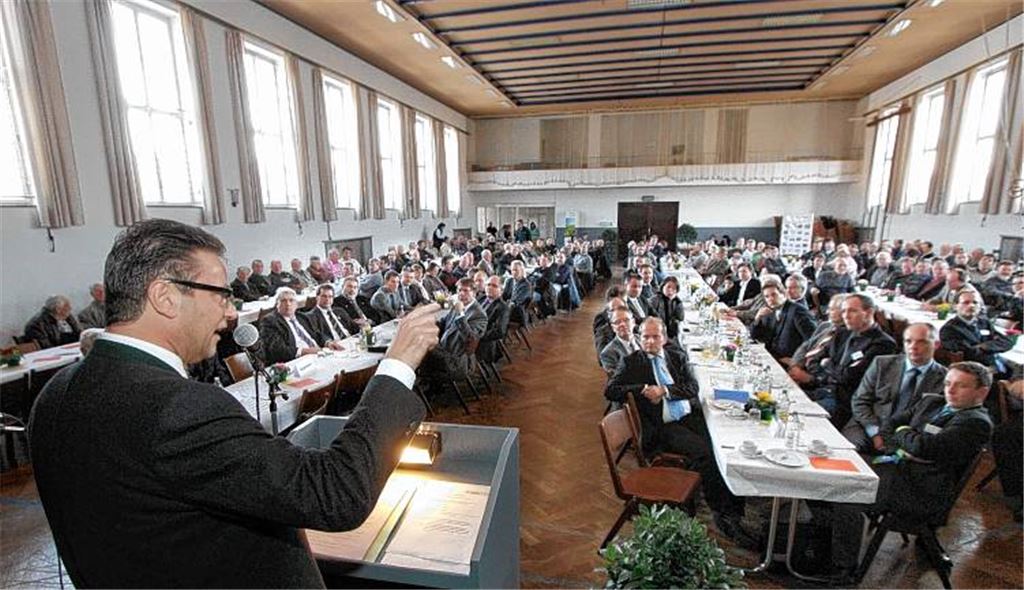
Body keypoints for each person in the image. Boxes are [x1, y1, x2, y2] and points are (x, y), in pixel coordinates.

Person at [29, 218, 437, 588]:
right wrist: (397, 366)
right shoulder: (179, 407)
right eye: (221, 296)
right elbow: (336, 493)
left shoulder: (55, 395)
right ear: (165, 297)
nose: (230, 315)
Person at [824, 362, 993, 585]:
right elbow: (890, 424)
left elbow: (925, 447)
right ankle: (821, 546)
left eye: (960, 386)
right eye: (948, 383)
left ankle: (843, 570)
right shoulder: (933, 401)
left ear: (981, 392)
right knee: (832, 469)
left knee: (846, 492)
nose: (950, 390)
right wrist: (906, 444)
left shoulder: (976, 422)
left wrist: (905, 434)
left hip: (920, 489)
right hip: (897, 467)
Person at [604, 318, 752, 544]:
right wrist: (642, 389)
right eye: (645, 336)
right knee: (707, 453)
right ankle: (722, 513)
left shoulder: (676, 356)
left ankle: (733, 507)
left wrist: (665, 390)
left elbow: (693, 388)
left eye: (655, 336)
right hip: (662, 427)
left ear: (664, 338)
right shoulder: (632, 362)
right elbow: (611, 390)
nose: (650, 341)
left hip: (685, 415)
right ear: (640, 337)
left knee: (723, 443)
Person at [843, 323, 948, 454]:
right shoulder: (882, 364)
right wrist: (875, 433)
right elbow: (860, 400)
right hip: (866, 425)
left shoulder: (945, 379)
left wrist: (897, 438)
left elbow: (930, 418)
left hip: (904, 435)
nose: (913, 347)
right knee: (847, 452)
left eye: (921, 342)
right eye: (908, 341)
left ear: (936, 344)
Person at [809, 293, 897, 427]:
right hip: (822, 389)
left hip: (844, 402)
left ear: (869, 312)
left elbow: (850, 377)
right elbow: (813, 361)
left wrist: (827, 364)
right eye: (843, 311)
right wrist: (824, 375)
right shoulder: (842, 333)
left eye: (852, 311)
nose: (846, 315)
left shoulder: (883, 343)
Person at [939, 289, 1014, 368]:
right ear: (955, 306)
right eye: (966, 302)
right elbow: (970, 353)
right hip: (971, 369)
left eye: (975, 302)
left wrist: (984, 346)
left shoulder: (984, 323)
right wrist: (992, 344)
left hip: (993, 364)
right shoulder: (949, 329)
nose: (971, 306)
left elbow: (1007, 342)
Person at [749, 281, 817, 363]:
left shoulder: (797, 311)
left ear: (783, 294)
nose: (770, 299)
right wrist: (757, 318)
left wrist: (798, 361)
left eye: (774, 295)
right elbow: (754, 336)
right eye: (767, 297)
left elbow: (813, 340)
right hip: (772, 358)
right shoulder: (769, 311)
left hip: (789, 361)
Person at [260, 287, 323, 364]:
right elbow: (277, 350)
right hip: (296, 361)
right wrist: (304, 351)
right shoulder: (270, 321)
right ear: (277, 305)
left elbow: (316, 333)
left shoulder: (302, 317)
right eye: (283, 301)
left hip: (317, 355)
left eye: (291, 300)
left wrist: (327, 342)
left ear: (296, 304)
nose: (288, 304)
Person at [477, 276, 510, 366]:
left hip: (482, 343)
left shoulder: (503, 308)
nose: (490, 288)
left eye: (494, 286)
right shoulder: (481, 298)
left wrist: (479, 336)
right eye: (488, 285)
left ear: (501, 290)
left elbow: (500, 332)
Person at [599, 309, 640, 373]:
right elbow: (617, 379)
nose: (622, 324)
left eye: (626, 320)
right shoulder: (608, 353)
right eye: (617, 322)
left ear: (633, 322)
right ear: (613, 328)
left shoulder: (643, 340)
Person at [647, 276, 685, 341]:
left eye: (674, 289)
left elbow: (681, 317)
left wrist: (679, 303)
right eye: (668, 287)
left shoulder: (676, 302)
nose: (670, 290)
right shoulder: (654, 300)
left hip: (671, 335)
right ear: (662, 287)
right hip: (657, 333)